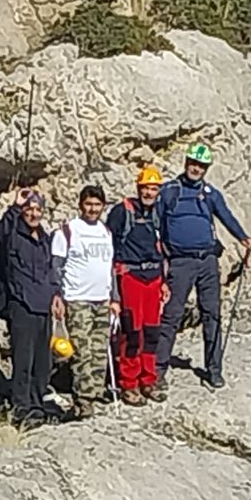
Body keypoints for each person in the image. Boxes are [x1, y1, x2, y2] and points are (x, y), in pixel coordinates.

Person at [153, 143, 251, 392]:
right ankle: (158, 371)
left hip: (208, 261)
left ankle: (214, 370)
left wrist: (243, 238)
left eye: (201, 165)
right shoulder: (169, 191)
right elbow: (155, 223)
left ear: (207, 168)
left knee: (212, 315)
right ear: (186, 162)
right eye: (193, 163)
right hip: (180, 262)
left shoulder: (211, 193)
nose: (196, 168)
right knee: (171, 316)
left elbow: (226, 216)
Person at [0, 188, 65, 426]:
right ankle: (21, 409)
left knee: (42, 361)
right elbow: (0, 233)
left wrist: (56, 294)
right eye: (29, 209)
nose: (33, 214)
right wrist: (14, 206)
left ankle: (38, 403)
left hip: (43, 306)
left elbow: (50, 271)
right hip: (21, 305)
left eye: (38, 209)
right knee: (23, 360)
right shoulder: (13, 235)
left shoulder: (44, 238)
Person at [53, 185, 115, 419]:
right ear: (80, 205)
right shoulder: (67, 231)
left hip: (102, 298)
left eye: (97, 205)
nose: (92, 209)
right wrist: (58, 295)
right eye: (88, 204)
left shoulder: (105, 232)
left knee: (99, 349)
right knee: (81, 350)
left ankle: (95, 391)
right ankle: (83, 399)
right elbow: (56, 266)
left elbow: (110, 268)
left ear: (103, 207)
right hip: (77, 298)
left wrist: (114, 298)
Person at [107, 166, 167, 406]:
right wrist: (113, 289)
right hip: (130, 276)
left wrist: (164, 281)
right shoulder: (123, 211)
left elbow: (163, 247)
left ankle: (148, 379)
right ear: (138, 187)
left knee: (152, 332)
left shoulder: (157, 214)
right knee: (132, 332)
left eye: (154, 188)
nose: (149, 192)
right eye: (146, 187)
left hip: (153, 278)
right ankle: (129, 383)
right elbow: (109, 245)